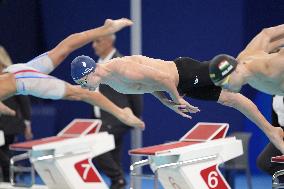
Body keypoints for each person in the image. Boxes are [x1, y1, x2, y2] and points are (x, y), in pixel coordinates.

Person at [70, 24, 284, 154]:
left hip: (185, 73)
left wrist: (176, 99)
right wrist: (166, 102)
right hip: (180, 85)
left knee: (236, 72)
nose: (84, 87)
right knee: (230, 99)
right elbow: (147, 85)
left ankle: (271, 126)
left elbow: (162, 78)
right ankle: (271, 130)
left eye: (82, 82)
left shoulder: (120, 69)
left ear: (90, 73)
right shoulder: (107, 80)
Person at [0, 18, 144, 129]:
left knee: (79, 93)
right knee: (63, 49)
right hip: (15, 71)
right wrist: (9, 111)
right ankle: (106, 29)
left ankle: (122, 113)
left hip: (23, 81)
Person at [91, 34, 143, 189]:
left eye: (97, 40)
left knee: (96, 145)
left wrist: (134, 115)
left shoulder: (121, 62)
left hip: (117, 117)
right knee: (113, 154)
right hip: (101, 118)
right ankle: (117, 183)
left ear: (109, 41)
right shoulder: (96, 64)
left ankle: (118, 178)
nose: (94, 45)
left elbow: (135, 90)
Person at [0, 46, 32, 182]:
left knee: (5, 150)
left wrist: (27, 123)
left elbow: (24, 101)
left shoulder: (12, 76)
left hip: (10, 123)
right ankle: (11, 173)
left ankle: (10, 177)